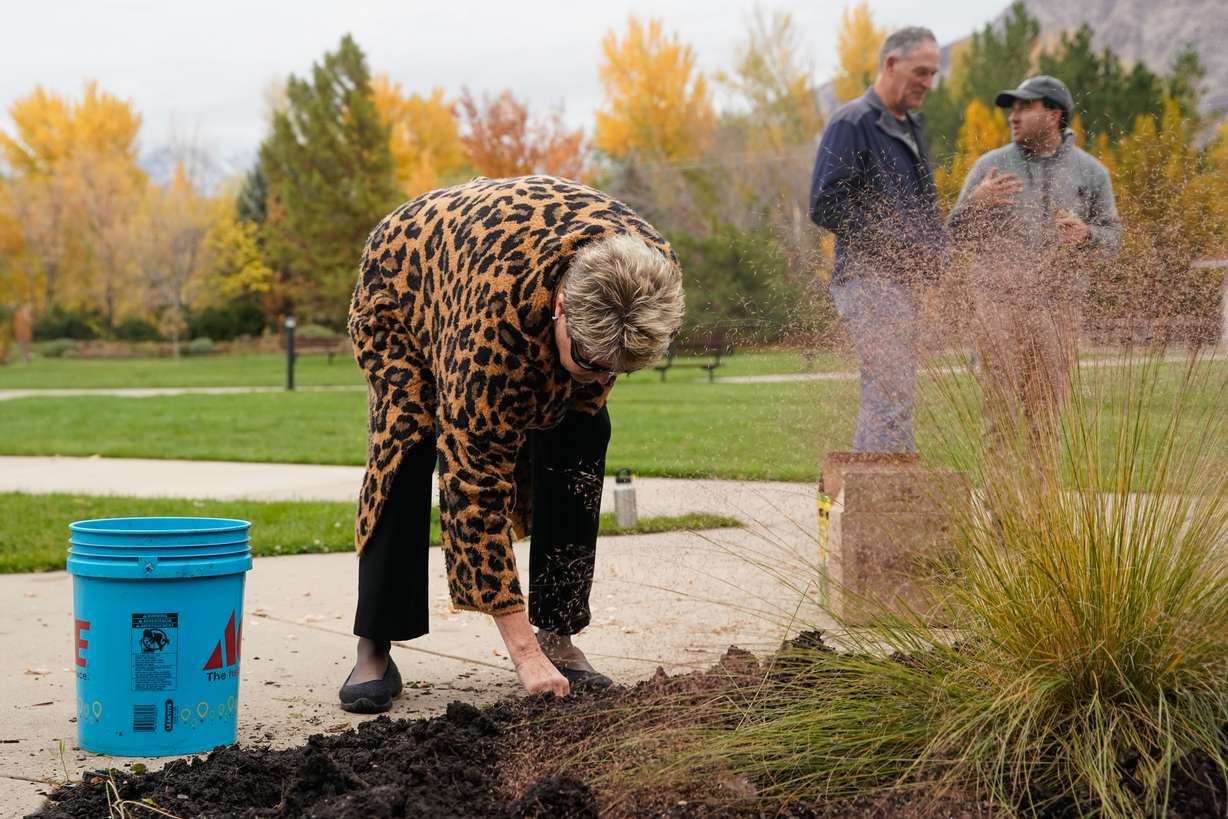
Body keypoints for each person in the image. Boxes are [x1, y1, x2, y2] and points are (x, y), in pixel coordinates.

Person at [340, 175, 685, 713]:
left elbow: (598, 362)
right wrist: (521, 656)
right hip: (406, 285)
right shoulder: (494, 325)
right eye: (593, 364)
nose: (600, 379)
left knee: (584, 434)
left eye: (619, 370)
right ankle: (375, 646)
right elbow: (472, 491)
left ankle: (560, 634)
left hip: (514, 265)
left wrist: (590, 368)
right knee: (407, 443)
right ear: (563, 310)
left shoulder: (653, 273)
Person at [947, 75, 1121, 451]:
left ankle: (1039, 509)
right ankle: (1002, 510)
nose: (1014, 115)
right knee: (1001, 419)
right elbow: (953, 237)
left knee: (1045, 421)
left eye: (1026, 107)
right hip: (998, 306)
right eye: (1013, 107)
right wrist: (975, 203)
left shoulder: (1090, 173)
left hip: (1058, 310)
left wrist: (1087, 236)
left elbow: (1113, 242)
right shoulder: (989, 167)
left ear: (1054, 114)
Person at [809, 26, 945, 453]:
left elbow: (923, 210)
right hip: (868, 282)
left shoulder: (910, 127)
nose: (928, 82)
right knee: (889, 395)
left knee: (892, 395)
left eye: (933, 73)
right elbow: (824, 204)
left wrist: (933, 261)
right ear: (891, 64)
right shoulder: (852, 123)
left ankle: (882, 502)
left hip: (903, 283)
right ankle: (884, 506)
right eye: (920, 71)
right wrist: (898, 244)